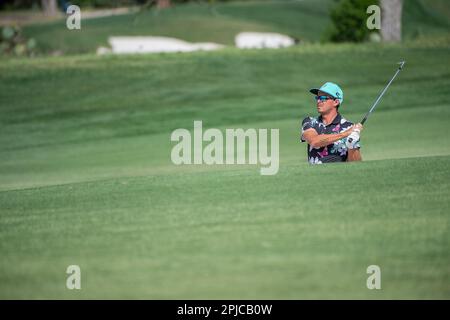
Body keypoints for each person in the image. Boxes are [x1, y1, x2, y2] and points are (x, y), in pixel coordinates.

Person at [301, 82, 363, 164]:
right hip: (314, 175)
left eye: (323, 98)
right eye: (318, 97)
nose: (319, 101)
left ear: (336, 102)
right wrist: (344, 134)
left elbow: (356, 164)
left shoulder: (349, 127)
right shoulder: (309, 122)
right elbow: (314, 141)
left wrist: (352, 146)